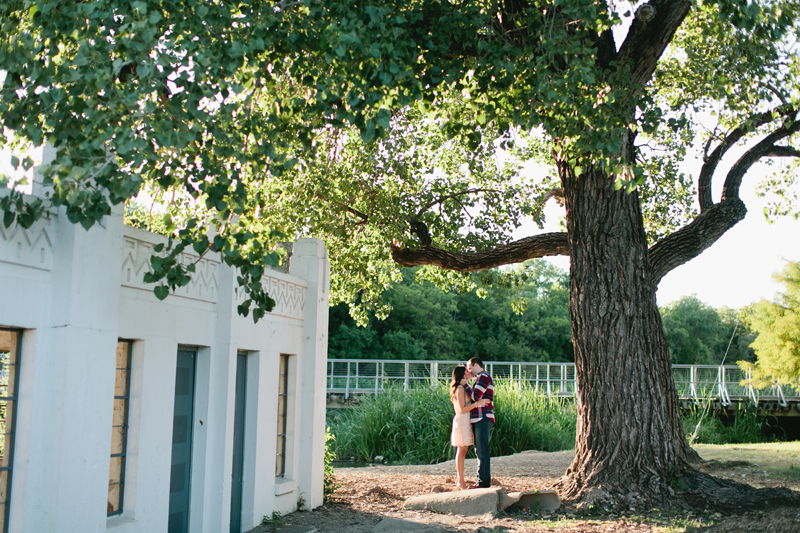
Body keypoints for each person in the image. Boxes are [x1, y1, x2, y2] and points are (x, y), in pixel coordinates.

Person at [449, 365, 488, 491]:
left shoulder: (464, 387)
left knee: (463, 450)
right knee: (462, 450)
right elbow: (462, 409)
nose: (469, 372)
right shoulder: (460, 389)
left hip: (466, 421)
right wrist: (477, 404)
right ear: (462, 375)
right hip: (462, 421)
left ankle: (459, 479)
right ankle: (460, 480)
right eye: (466, 371)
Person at [466, 357, 495, 488]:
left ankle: (483, 482)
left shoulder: (483, 376)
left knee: (482, 450)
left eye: (470, 368)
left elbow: (475, 396)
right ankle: (482, 480)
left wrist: (464, 385)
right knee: (480, 450)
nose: (469, 371)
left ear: (476, 365)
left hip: (482, 416)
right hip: (480, 417)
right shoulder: (481, 377)